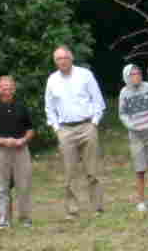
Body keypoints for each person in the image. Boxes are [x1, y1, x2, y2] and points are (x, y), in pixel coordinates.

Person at [43, 44, 106, 217]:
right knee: (69, 173)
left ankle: (97, 207)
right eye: (58, 59)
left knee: (92, 170)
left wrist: (94, 123)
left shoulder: (85, 75)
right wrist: (57, 129)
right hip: (65, 130)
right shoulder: (52, 80)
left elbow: (98, 101)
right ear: (55, 62)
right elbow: (49, 108)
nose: (62, 61)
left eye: (64, 58)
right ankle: (72, 210)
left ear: (71, 58)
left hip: (87, 126)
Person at [0, 74, 36, 228]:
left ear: (14, 89)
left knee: (23, 185)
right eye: (4, 88)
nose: (7, 91)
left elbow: (31, 130)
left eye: (10, 88)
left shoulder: (22, 107)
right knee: (1, 186)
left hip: (21, 149)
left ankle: (25, 218)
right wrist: (3, 141)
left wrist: (23, 140)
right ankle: (4, 220)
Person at [118, 63, 148, 213]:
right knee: (140, 170)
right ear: (127, 77)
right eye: (133, 74)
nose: (137, 76)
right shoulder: (124, 92)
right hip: (136, 136)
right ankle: (141, 201)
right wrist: (131, 125)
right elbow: (123, 113)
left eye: (138, 73)